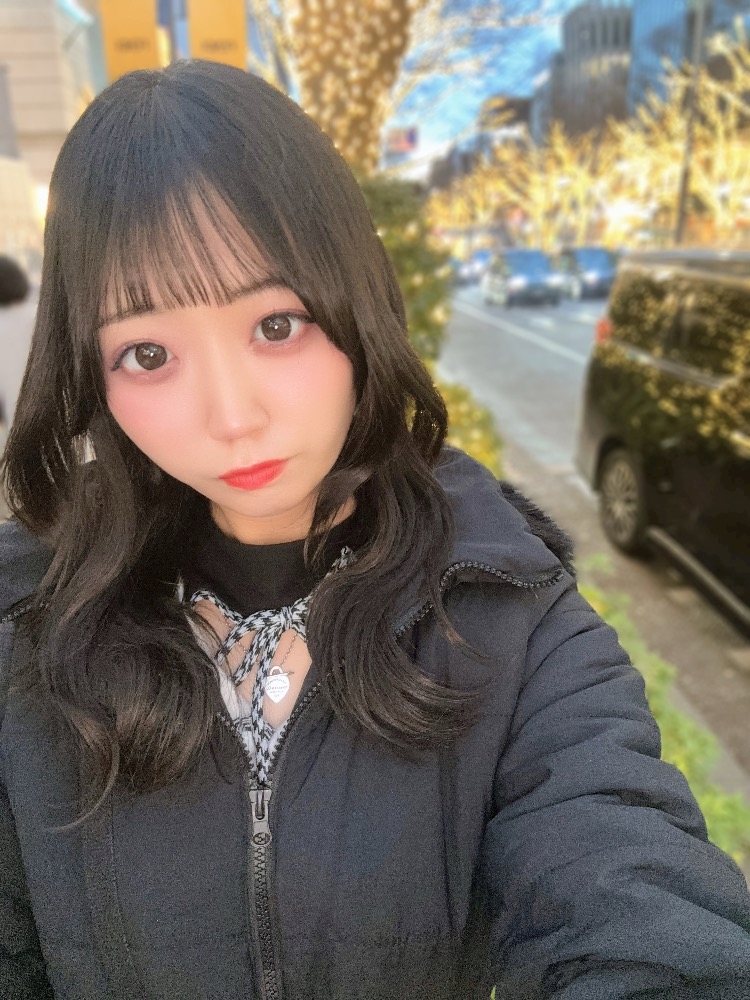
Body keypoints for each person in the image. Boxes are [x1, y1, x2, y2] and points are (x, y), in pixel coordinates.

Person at [0, 60, 749, 1000]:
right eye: (147, 352)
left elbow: (630, 896)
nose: (231, 417)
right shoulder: (26, 626)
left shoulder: (510, 619)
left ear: (355, 309)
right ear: (89, 370)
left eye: (278, 324)